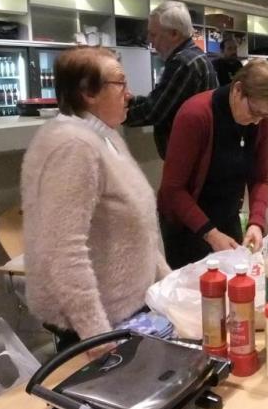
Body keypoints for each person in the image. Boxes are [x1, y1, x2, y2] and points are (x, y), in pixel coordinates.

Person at [22, 47, 171, 358]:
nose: (129, 94)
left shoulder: (105, 136)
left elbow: (138, 223)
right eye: (120, 83)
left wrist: (167, 282)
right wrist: (95, 335)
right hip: (97, 326)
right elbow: (63, 250)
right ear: (88, 93)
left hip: (129, 311)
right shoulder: (73, 146)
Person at [158, 60, 268, 269]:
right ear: (238, 90)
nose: (257, 121)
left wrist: (256, 222)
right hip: (187, 227)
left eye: (265, 115)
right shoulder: (195, 114)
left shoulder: (260, 122)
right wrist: (211, 234)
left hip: (228, 218)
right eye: (254, 111)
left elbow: (260, 178)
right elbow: (172, 189)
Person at [125, 1, 217, 159]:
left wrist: (115, 112)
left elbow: (154, 111)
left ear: (174, 34)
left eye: (153, 34)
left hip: (188, 158)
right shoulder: (196, 57)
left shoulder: (182, 63)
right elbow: (163, 99)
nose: (149, 40)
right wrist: (132, 101)